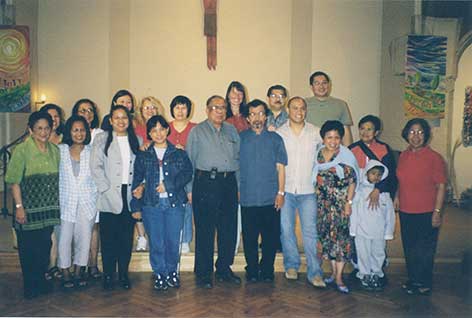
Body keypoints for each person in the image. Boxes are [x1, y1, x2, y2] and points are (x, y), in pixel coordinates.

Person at [131, 115, 193, 291]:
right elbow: (137, 180)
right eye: (154, 130)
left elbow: (187, 174)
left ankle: (172, 272)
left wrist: (168, 185)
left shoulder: (179, 153)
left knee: (172, 242)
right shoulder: (143, 155)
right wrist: (136, 203)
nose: (158, 133)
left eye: (161, 129)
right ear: (149, 133)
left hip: (174, 204)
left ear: (167, 130)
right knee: (156, 242)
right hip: (151, 205)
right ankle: (159, 273)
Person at [186, 95, 241, 289]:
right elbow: (189, 161)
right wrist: (189, 189)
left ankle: (224, 268)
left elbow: (238, 160)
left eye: (223, 107)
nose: (220, 111)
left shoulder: (232, 130)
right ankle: (203, 272)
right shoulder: (197, 131)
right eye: (215, 107)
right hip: (204, 183)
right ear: (207, 110)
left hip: (228, 184)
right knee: (205, 230)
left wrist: (239, 188)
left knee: (228, 229)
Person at [5, 111, 60, 299]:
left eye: (47, 128)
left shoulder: (55, 150)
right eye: (39, 128)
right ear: (30, 129)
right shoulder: (21, 150)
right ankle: (30, 284)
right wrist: (19, 207)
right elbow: (14, 181)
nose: (43, 132)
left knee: (45, 245)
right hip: (27, 209)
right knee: (28, 248)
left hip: (47, 209)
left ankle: (41, 281)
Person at [277, 97, 325, 288]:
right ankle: (291, 265)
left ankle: (315, 272)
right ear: (288, 109)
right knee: (286, 230)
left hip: (308, 191)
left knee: (310, 232)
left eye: (302, 108)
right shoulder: (280, 133)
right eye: (295, 108)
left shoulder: (316, 132)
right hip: (286, 190)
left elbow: (327, 156)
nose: (299, 111)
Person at [90, 105, 140, 290]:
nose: (121, 121)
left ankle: (123, 274)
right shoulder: (102, 139)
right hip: (109, 194)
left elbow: (140, 167)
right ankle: (108, 274)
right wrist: (106, 189)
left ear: (129, 120)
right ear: (110, 120)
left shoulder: (137, 139)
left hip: (129, 195)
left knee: (126, 238)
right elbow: (95, 167)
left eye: (124, 117)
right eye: (116, 118)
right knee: (109, 238)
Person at [395, 118, 446, 296]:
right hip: (406, 210)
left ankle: (424, 282)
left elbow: (441, 186)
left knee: (425, 249)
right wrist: (396, 197)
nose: (415, 136)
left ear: (426, 135)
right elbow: (401, 179)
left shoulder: (435, 158)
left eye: (420, 132)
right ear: (406, 134)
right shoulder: (403, 156)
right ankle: (413, 279)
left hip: (427, 211)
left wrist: (437, 212)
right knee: (409, 247)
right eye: (412, 132)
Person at [239, 99, 287, 283]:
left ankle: (267, 269)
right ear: (248, 118)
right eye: (252, 114)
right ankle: (252, 269)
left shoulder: (276, 139)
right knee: (250, 238)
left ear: (266, 116)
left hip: (270, 197)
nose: (257, 117)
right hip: (248, 197)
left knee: (270, 238)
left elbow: (281, 168)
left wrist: (281, 193)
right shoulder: (241, 139)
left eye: (260, 113)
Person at [312, 120, 359, 294]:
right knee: (328, 241)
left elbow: (353, 182)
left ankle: (339, 277)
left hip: (340, 206)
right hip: (322, 206)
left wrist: (349, 203)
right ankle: (332, 272)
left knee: (341, 242)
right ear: (323, 138)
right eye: (329, 137)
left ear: (341, 138)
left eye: (336, 137)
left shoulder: (346, 155)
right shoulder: (317, 154)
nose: (333, 141)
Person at [57, 116, 97, 289]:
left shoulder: (92, 151)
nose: (79, 133)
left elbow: (98, 176)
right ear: (69, 132)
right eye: (75, 130)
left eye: (82, 130)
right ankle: (65, 272)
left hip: (87, 202)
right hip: (66, 201)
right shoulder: (60, 150)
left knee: (85, 238)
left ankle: (79, 271)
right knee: (64, 238)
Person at [349, 160, 395, 292]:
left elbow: (389, 214)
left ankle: (376, 273)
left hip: (378, 232)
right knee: (363, 253)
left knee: (378, 252)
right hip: (361, 231)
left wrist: (388, 232)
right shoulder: (359, 192)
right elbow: (354, 212)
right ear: (366, 174)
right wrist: (353, 230)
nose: (376, 177)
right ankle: (365, 274)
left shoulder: (385, 195)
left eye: (379, 175)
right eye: (373, 173)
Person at [72, 98, 103, 280]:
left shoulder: (99, 133)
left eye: (90, 110)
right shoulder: (72, 134)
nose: (87, 114)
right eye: (83, 110)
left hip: (95, 187)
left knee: (94, 227)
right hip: (77, 188)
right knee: (77, 227)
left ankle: (92, 264)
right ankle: (79, 264)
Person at [133, 96, 165, 252]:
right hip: (141, 168)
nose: (150, 110)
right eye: (146, 108)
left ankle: (155, 237)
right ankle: (141, 237)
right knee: (138, 200)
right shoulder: (137, 128)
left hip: (157, 171)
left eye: (153, 107)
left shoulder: (162, 125)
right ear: (141, 111)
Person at [168, 95, 197, 254]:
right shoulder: (165, 127)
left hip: (189, 173)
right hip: (170, 174)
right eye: (177, 107)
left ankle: (185, 239)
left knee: (187, 205)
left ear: (189, 110)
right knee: (172, 206)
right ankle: (174, 237)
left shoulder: (196, 128)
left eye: (183, 107)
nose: (180, 111)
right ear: (172, 109)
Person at [40, 103, 65, 281]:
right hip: (41, 194)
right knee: (43, 233)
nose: (54, 119)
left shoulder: (65, 138)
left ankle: (53, 265)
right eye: (50, 116)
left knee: (57, 231)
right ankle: (42, 265)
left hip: (60, 192)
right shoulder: (35, 141)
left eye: (56, 116)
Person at [224, 81, 248, 256]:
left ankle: (242, 245)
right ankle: (230, 248)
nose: (236, 97)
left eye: (240, 93)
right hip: (228, 168)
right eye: (233, 93)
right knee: (230, 211)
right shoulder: (221, 116)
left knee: (244, 209)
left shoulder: (248, 116)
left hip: (247, 167)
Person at [305, 71, 353, 145]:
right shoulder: (303, 104)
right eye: (317, 83)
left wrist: (347, 152)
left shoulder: (341, 104)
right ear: (311, 87)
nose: (321, 86)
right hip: (309, 149)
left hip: (334, 149)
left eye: (324, 83)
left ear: (329, 85)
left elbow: (346, 132)